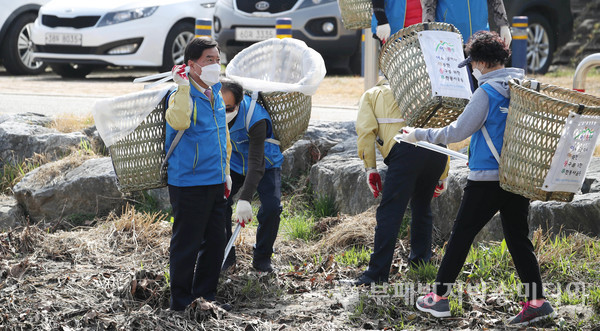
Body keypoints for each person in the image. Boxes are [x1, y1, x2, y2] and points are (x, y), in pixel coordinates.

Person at [400, 31, 555, 326]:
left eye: (473, 64)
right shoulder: (520, 87)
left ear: (482, 62)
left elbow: (457, 131)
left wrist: (418, 134)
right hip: (515, 175)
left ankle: (438, 298)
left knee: (461, 236)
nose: (472, 69)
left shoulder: (486, 92)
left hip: (486, 179)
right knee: (518, 238)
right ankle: (537, 301)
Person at [352, 77, 449, 286]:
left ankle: (376, 275)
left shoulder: (372, 94)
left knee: (390, 212)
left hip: (404, 151)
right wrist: (444, 173)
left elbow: (366, 132)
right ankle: (420, 266)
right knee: (422, 208)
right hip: (436, 152)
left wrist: (370, 168)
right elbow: (442, 127)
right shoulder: (426, 90)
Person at [164, 37, 232, 311]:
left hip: (215, 180)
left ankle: (206, 297)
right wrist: (181, 87)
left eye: (217, 59)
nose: (216, 65)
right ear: (191, 65)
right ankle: (180, 301)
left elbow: (222, 135)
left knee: (216, 242)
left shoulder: (215, 92)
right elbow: (179, 121)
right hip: (189, 182)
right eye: (208, 60)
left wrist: (226, 172)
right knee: (187, 244)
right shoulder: (181, 95)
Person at [219, 78, 284, 273]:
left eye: (229, 109)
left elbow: (257, 163)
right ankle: (226, 256)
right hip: (236, 163)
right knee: (218, 203)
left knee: (272, 208)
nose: (223, 113)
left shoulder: (256, 118)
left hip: (265, 163)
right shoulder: (212, 112)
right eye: (220, 108)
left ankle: (262, 257)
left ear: (239, 103)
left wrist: (245, 199)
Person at [421, 0, 512, 46]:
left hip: (480, 35)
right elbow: (428, 5)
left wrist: (503, 25)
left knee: (478, 79)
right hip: (448, 38)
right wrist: (427, 32)